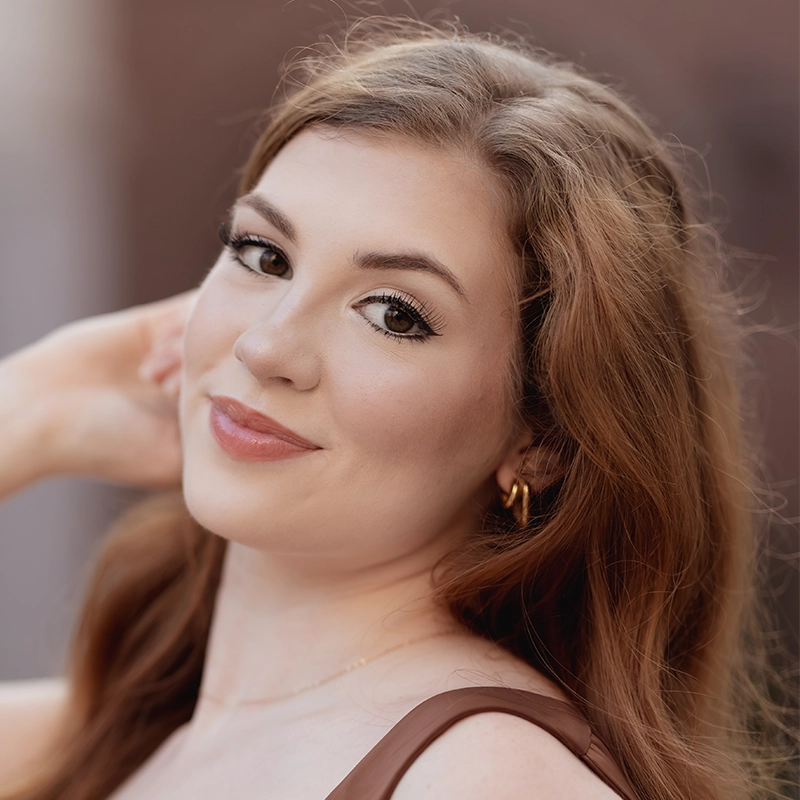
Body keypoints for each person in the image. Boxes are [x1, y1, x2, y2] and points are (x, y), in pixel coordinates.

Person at [0, 17, 792, 800]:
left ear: (542, 438)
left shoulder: (488, 781)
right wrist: (32, 412)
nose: (266, 347)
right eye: (263, 255)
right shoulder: (114, 743)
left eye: (392, 314)